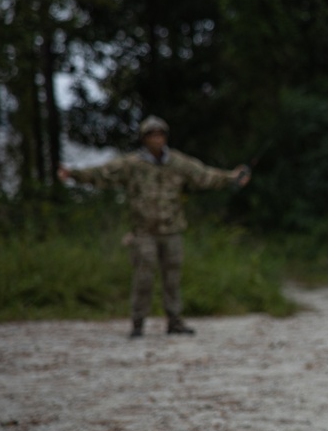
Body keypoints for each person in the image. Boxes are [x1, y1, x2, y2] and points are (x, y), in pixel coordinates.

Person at [58, 115, 251, 338]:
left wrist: (232, 178)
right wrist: (73, 174)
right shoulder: (132, 165)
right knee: (143, 278)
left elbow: (204, 176)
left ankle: (175, 321)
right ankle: (138, 323)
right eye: (151, 135)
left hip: (172, 230)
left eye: (160, 135)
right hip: (144, 232)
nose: (156, 139)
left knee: (172, 278)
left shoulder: (178, 163)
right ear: (144, 139)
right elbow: (103, 174)